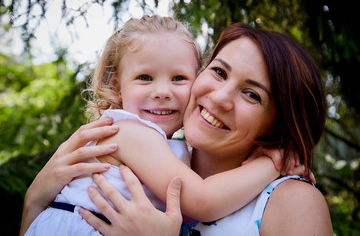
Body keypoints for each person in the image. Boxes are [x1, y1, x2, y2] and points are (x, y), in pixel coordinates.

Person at [21, 16, 298, 236]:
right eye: (144, 77)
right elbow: (203, 203)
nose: (162, 91)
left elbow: (183, 215)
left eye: (178, 78)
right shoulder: (127, 132)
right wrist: (273, 164)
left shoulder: (168, 148)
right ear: (118, 88)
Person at [77, 22, 334, 235]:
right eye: (220, 72)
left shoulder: (292, 201)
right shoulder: (151, 161)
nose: (220, 97)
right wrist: (36, 199)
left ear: (278, 125)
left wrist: (272, 166)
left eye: (252, 94)